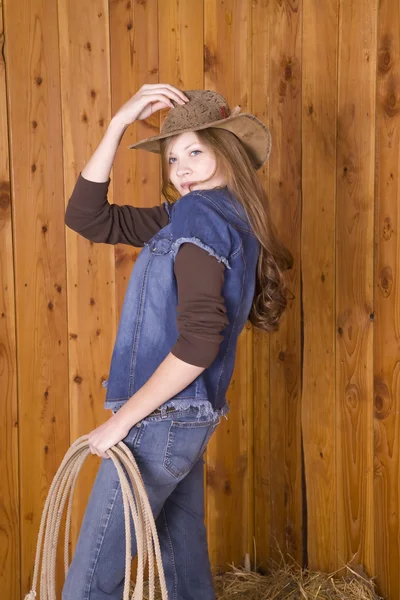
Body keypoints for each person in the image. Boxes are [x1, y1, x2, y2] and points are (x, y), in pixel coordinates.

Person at [61, 85, 293, 600]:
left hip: (155, 420)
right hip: (185, 421)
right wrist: (119, 122)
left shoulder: (198, 214)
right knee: (183, 576)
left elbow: (199, 341)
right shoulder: (215, 215)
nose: (181, 168)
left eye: (195, 152)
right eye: (171, 157)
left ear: (226, 150)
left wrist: (120, 423)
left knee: (90, 584)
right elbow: (88, 217)